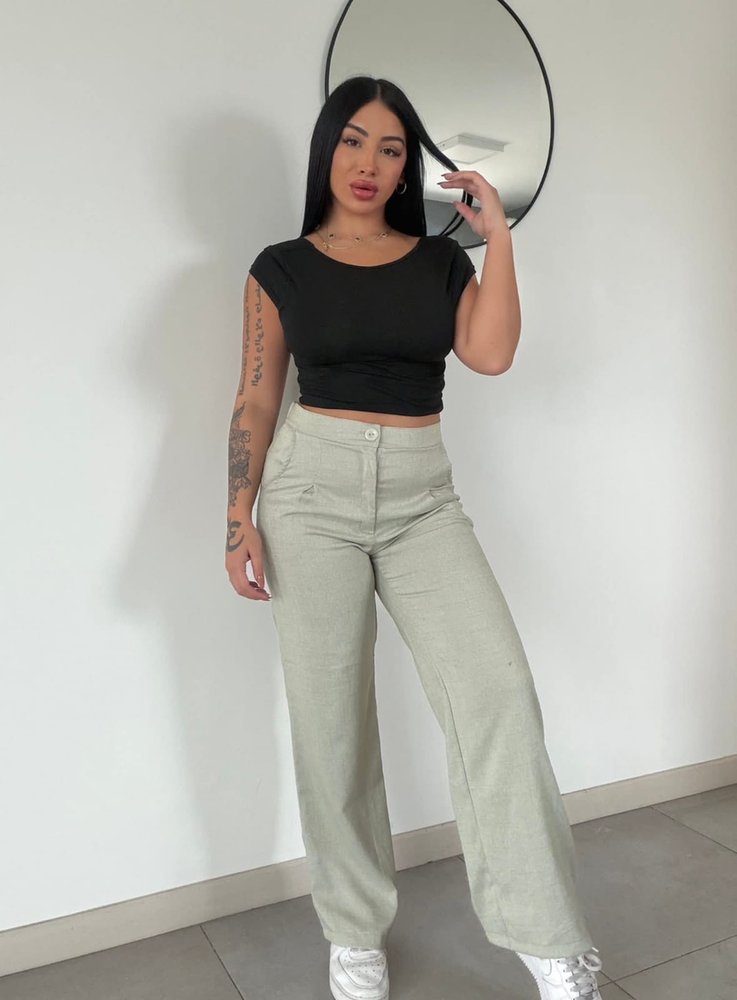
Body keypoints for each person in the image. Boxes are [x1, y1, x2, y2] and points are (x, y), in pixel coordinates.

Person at [225, 75, 604, 1000]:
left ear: (408, 168)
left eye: (391, 148)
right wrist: (238, 514)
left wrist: (496, 236)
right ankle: (353, 932)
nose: (369, 162)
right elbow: (257, 396)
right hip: (307, 494)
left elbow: (490, 353)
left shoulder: (439, 263)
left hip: (422, 497)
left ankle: (548, 937)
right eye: (354, 141)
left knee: (497, 695)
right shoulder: (279, 268)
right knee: (331, 724)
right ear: (327, 149)